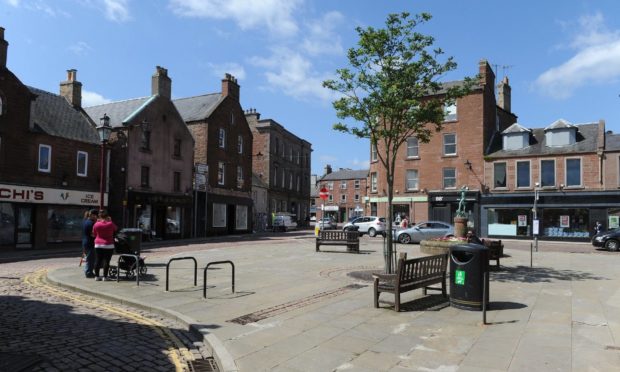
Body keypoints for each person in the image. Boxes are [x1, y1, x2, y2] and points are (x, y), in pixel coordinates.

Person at [92, 210, 118, 281]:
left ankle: (97, 276)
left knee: (98, 260)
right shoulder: (110, 224)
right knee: (107, 261)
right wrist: (111, 221)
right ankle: (105, 277)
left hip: (98, 244)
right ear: (107, 216)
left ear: (100, 216)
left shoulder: (96, 224)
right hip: (109, 244)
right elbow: (116, 229)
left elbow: (94, 234)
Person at [81, 209, 98, 278]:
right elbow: (93, 234)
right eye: (95, 216)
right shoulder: (91, 223)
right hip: (90, 242)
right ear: (92, 215)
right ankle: (88, 272)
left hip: (85, 242)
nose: (96, 217)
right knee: (90, 258)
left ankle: (88, 271)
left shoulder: (84, 221)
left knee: (89, 258)